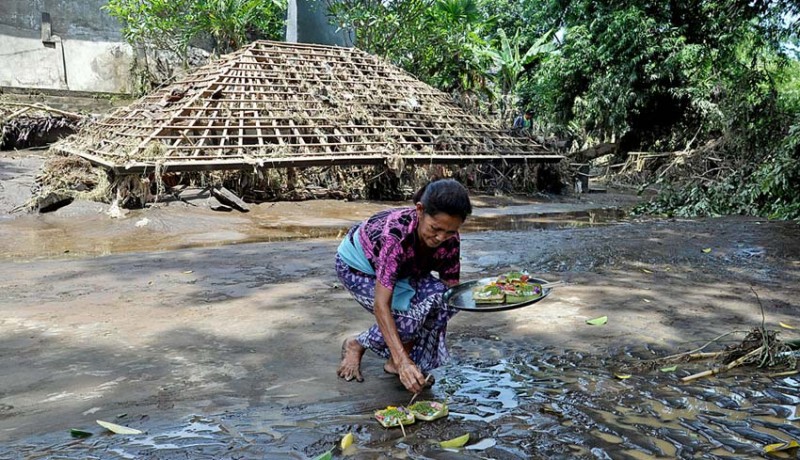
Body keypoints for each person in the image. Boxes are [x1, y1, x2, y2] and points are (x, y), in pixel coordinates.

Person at [335, 179, 472, 393]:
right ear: (420, 210)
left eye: (450, 232)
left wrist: (486, 298)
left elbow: (450, 289)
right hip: (358, 267)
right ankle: (357, 344)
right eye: (435, 229)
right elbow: (382, 305)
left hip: (405, 271)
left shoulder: (449, 239)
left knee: (444, 302)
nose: (441, 238)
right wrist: (404, 363)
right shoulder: (396, 236)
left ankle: (393, 361)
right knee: (409, 318)